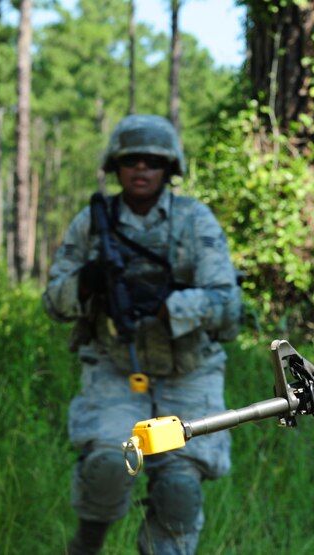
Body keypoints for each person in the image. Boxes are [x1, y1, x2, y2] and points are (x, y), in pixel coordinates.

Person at [43, 114, 243, 555]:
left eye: (152, 161)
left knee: (178, 488)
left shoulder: (194, 221)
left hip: (186, 372)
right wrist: (88, 282)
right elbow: (54, 303)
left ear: (169, 169)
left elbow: (227, 304)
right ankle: (88, 542)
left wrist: (167, 306)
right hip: (116, 367)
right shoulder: (93, 223)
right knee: (110, 465)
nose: (141, 168)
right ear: (116, 165)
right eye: (131, 159)